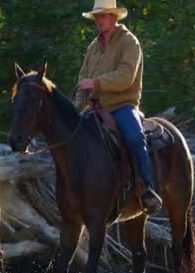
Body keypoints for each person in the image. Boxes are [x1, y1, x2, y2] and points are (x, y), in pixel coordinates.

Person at [74, 0, 162, 215]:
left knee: (134, 137)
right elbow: (82, 80)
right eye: (97, 17)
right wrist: (76, 109)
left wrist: (96, 83)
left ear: (114, 18)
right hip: (95, 108)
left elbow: (126, 76)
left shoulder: (129, 42)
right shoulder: (93, 48)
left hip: (122, 105)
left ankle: (146, 188)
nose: (100, 20)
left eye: (104, 16)